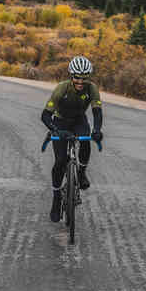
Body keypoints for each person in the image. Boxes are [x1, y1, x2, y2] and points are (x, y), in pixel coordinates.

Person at [40, 55, 104, 222]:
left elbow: (97, 111)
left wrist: (97, 129)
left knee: (85, 140)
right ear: (71, 75)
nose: (80, 82)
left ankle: (81, 173)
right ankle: (56, 199)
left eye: (84, 78)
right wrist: (54, 130)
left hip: (79, 120)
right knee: (60, 161)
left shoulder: (92, 89)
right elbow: (45, 115)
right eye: (77, 77)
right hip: (60, 122)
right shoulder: (62, 88)